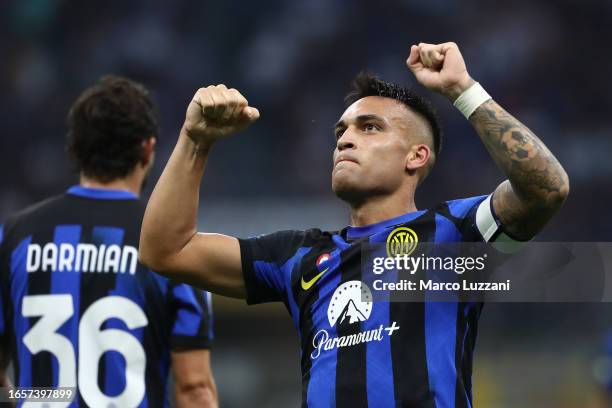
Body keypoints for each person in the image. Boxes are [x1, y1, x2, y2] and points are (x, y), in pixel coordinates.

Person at [140, 42, 569, 407]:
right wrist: (195, 142)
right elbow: (166, 250)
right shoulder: (299, 256)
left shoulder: (455, 233)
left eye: (369, 128)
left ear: (416, 157)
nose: (345, 139)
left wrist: (463, 91)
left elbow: (546, 188)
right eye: (341, 131)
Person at [0, 76, 217, 408]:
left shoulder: (13, 237)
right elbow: (194, 387)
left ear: (74, 149)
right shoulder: (174, 245)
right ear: (148, 149)